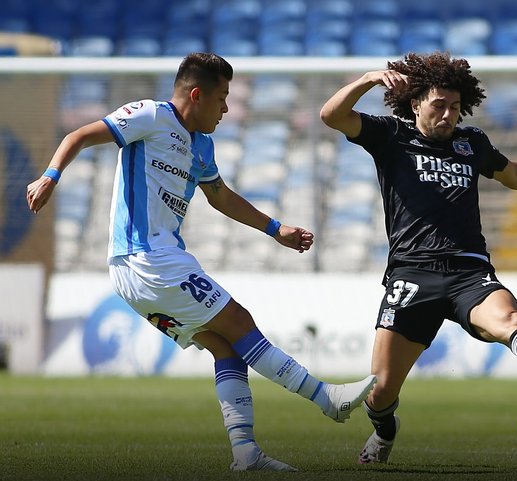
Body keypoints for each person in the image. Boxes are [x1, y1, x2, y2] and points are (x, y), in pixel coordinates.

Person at [26, 52, 377, 472]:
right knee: (240, 322)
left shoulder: (202, 146)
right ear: (197, 94)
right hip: (148, 259)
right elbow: (81, 135)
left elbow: (221, 197)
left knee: (224, 345)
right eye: (222, 98)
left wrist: (275, 229)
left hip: (139, 270)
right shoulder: (150, 116)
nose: (227, 108)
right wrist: (51, 175)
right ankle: (328, 400)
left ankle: (245, 452)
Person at [319, 51, 517, 465]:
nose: (449, 114)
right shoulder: (390, 136)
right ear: (416, 102)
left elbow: (515, 174)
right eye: (439, 105)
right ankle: (385, 432)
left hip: (470, 271)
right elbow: (331, 115)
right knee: (380, 392)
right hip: (412, 276)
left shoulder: (471, 143)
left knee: (511, 324)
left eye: (455, 106)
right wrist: (367, 79)